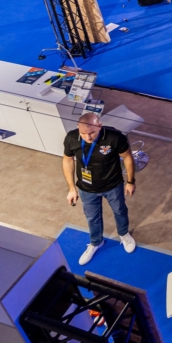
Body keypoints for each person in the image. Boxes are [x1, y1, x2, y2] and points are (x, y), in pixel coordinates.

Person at [62, 112, 136, 265]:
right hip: (86, 188)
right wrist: (71, 188)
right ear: (78, 127)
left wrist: (130, 181)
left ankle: (124, 234)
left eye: (92, 133)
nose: (88, 137)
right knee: (92, 217)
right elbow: (68, 160)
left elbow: (127, 157)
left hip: (113, 185)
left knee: (120, 211)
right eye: (83, 133)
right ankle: (96, 242)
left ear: (100, 126)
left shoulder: (115, 137)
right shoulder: (71, 138)